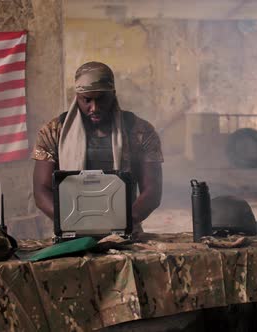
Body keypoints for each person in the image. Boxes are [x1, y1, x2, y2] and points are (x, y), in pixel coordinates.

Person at [32, 61, 163, 233]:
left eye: (102, 99)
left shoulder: (140, 131)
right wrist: (72, 221)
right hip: (71, 232)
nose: (94, 108)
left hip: (125, 230)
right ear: (77, 96)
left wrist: (121, 222)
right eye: (87, 100)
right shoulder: (53, 132)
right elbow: (41, 191)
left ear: (113, 95)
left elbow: (152, 191)